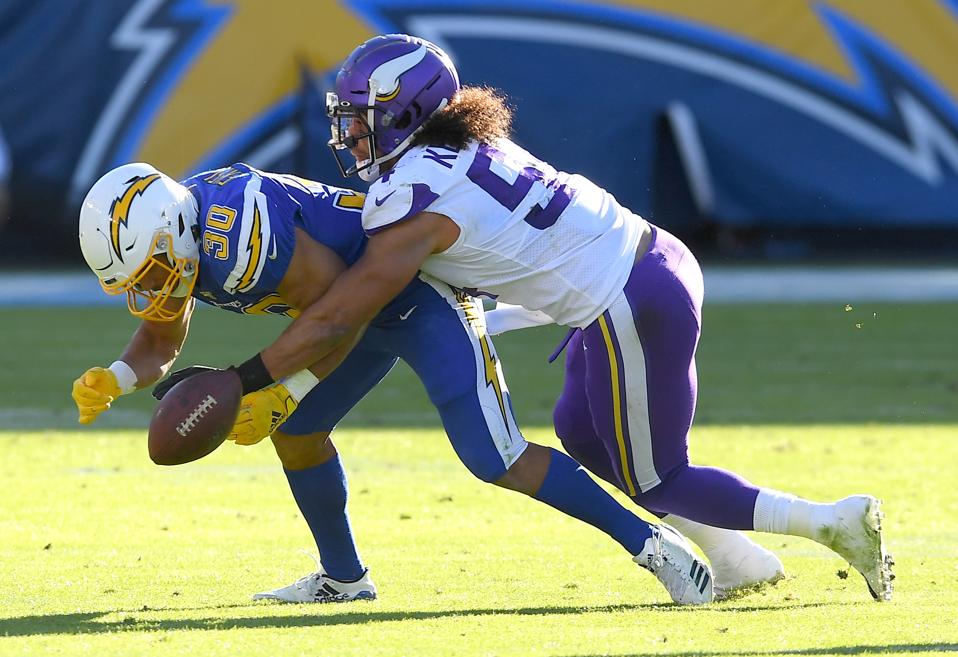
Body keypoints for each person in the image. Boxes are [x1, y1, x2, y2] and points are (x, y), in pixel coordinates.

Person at [226, 34, 893, 602]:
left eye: (363, 118)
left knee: (659, 474)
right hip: (638, 269)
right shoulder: (456, 146)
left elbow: (349, 307)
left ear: (406, 113)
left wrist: (251, 377)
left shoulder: (414, 193)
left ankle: (831, 522)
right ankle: (737, 559)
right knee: (584, 433)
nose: (350, 134)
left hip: (628, 295)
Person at [71, 161, 714, 606]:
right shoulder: (184, 238)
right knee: (297, 434)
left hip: (414, 295)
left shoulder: (238, 234)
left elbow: (340, 311)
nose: (151, 288)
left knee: (496, 457)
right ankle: (344, 580)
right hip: (347, 309)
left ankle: (655, 545)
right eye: (140, 280)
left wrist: (280, 386)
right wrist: (119, 375)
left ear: (175, 232)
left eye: (153, 271)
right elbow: (162, 338)